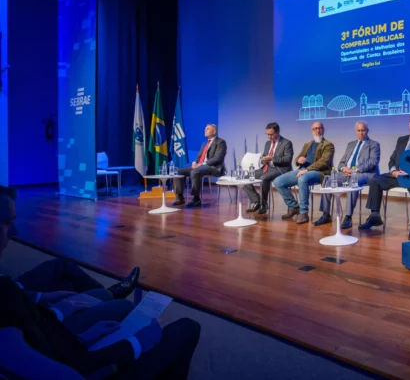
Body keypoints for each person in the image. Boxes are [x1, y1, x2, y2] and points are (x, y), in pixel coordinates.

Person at [0, 186, 201, 379]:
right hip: (94, 367)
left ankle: (110, 294)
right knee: (187, 328)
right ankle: (110, 295)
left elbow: (43, 343)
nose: (15, 232)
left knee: (121, 306)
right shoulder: (6, 297)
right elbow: (70, 372)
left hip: (71, 347)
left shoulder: (8, 294)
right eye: (7, 223)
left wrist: (83, 337)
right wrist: (136, 343)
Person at [362, 113, 410, 240]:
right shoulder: (402, 140)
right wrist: (393, 171)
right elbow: (392, 160)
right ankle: (374, 215)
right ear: (409, 123)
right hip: (399, 175)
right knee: (375, 180)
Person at [314, 121, 380, 228]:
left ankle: (348, 217)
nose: (361, 133)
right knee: (328, 179)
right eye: (359, 131)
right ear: (356, 132)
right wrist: (344, 168)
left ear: (367, 131)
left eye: (363, 130)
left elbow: (373, 162)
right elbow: (341, 162)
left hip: (364, 173)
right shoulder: (351, 144)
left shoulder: (374, 145)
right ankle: (326, 214)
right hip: (347, 172)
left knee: (353, 180)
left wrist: (355, 170)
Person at [273, 121, 334, 224]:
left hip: (319, 172)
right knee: (278, 182)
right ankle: (293, 206)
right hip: (302, 170)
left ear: (323, 129)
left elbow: (324, 162)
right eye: (315, 129)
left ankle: (303, 213)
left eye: (319, 128)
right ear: (312, 130)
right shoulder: (307, 144)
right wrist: (298, 160)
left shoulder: (328, 145)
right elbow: (297, 158)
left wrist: (307, 170)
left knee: (303, 179)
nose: (317, 131)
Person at [243, 122, 294, 215]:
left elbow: (287, 159)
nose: (269, 137)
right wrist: (262, 159)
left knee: (264, 178)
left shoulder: (286, 143)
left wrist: (272, 158)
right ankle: (256, 201)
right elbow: (265, 157)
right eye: (267, 134)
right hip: (267, 167)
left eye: (271, 134)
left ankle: (264, 205)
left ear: (278, 132)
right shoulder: (267, 143)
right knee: (246, 178)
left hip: (280, 169)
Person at [172, 123, 227, 208]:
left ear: (214, 131)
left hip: (213, 167)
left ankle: (196, 199)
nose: (205, 130)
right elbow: (198, 156)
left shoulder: (221, 142)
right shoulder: (204, 143)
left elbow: (217, 158)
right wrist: (194, 162)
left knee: (195, 171)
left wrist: (201, 164)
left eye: (207, 129)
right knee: (178, 171)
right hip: (200, 166)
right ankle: (180, 197)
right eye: (205, 129)